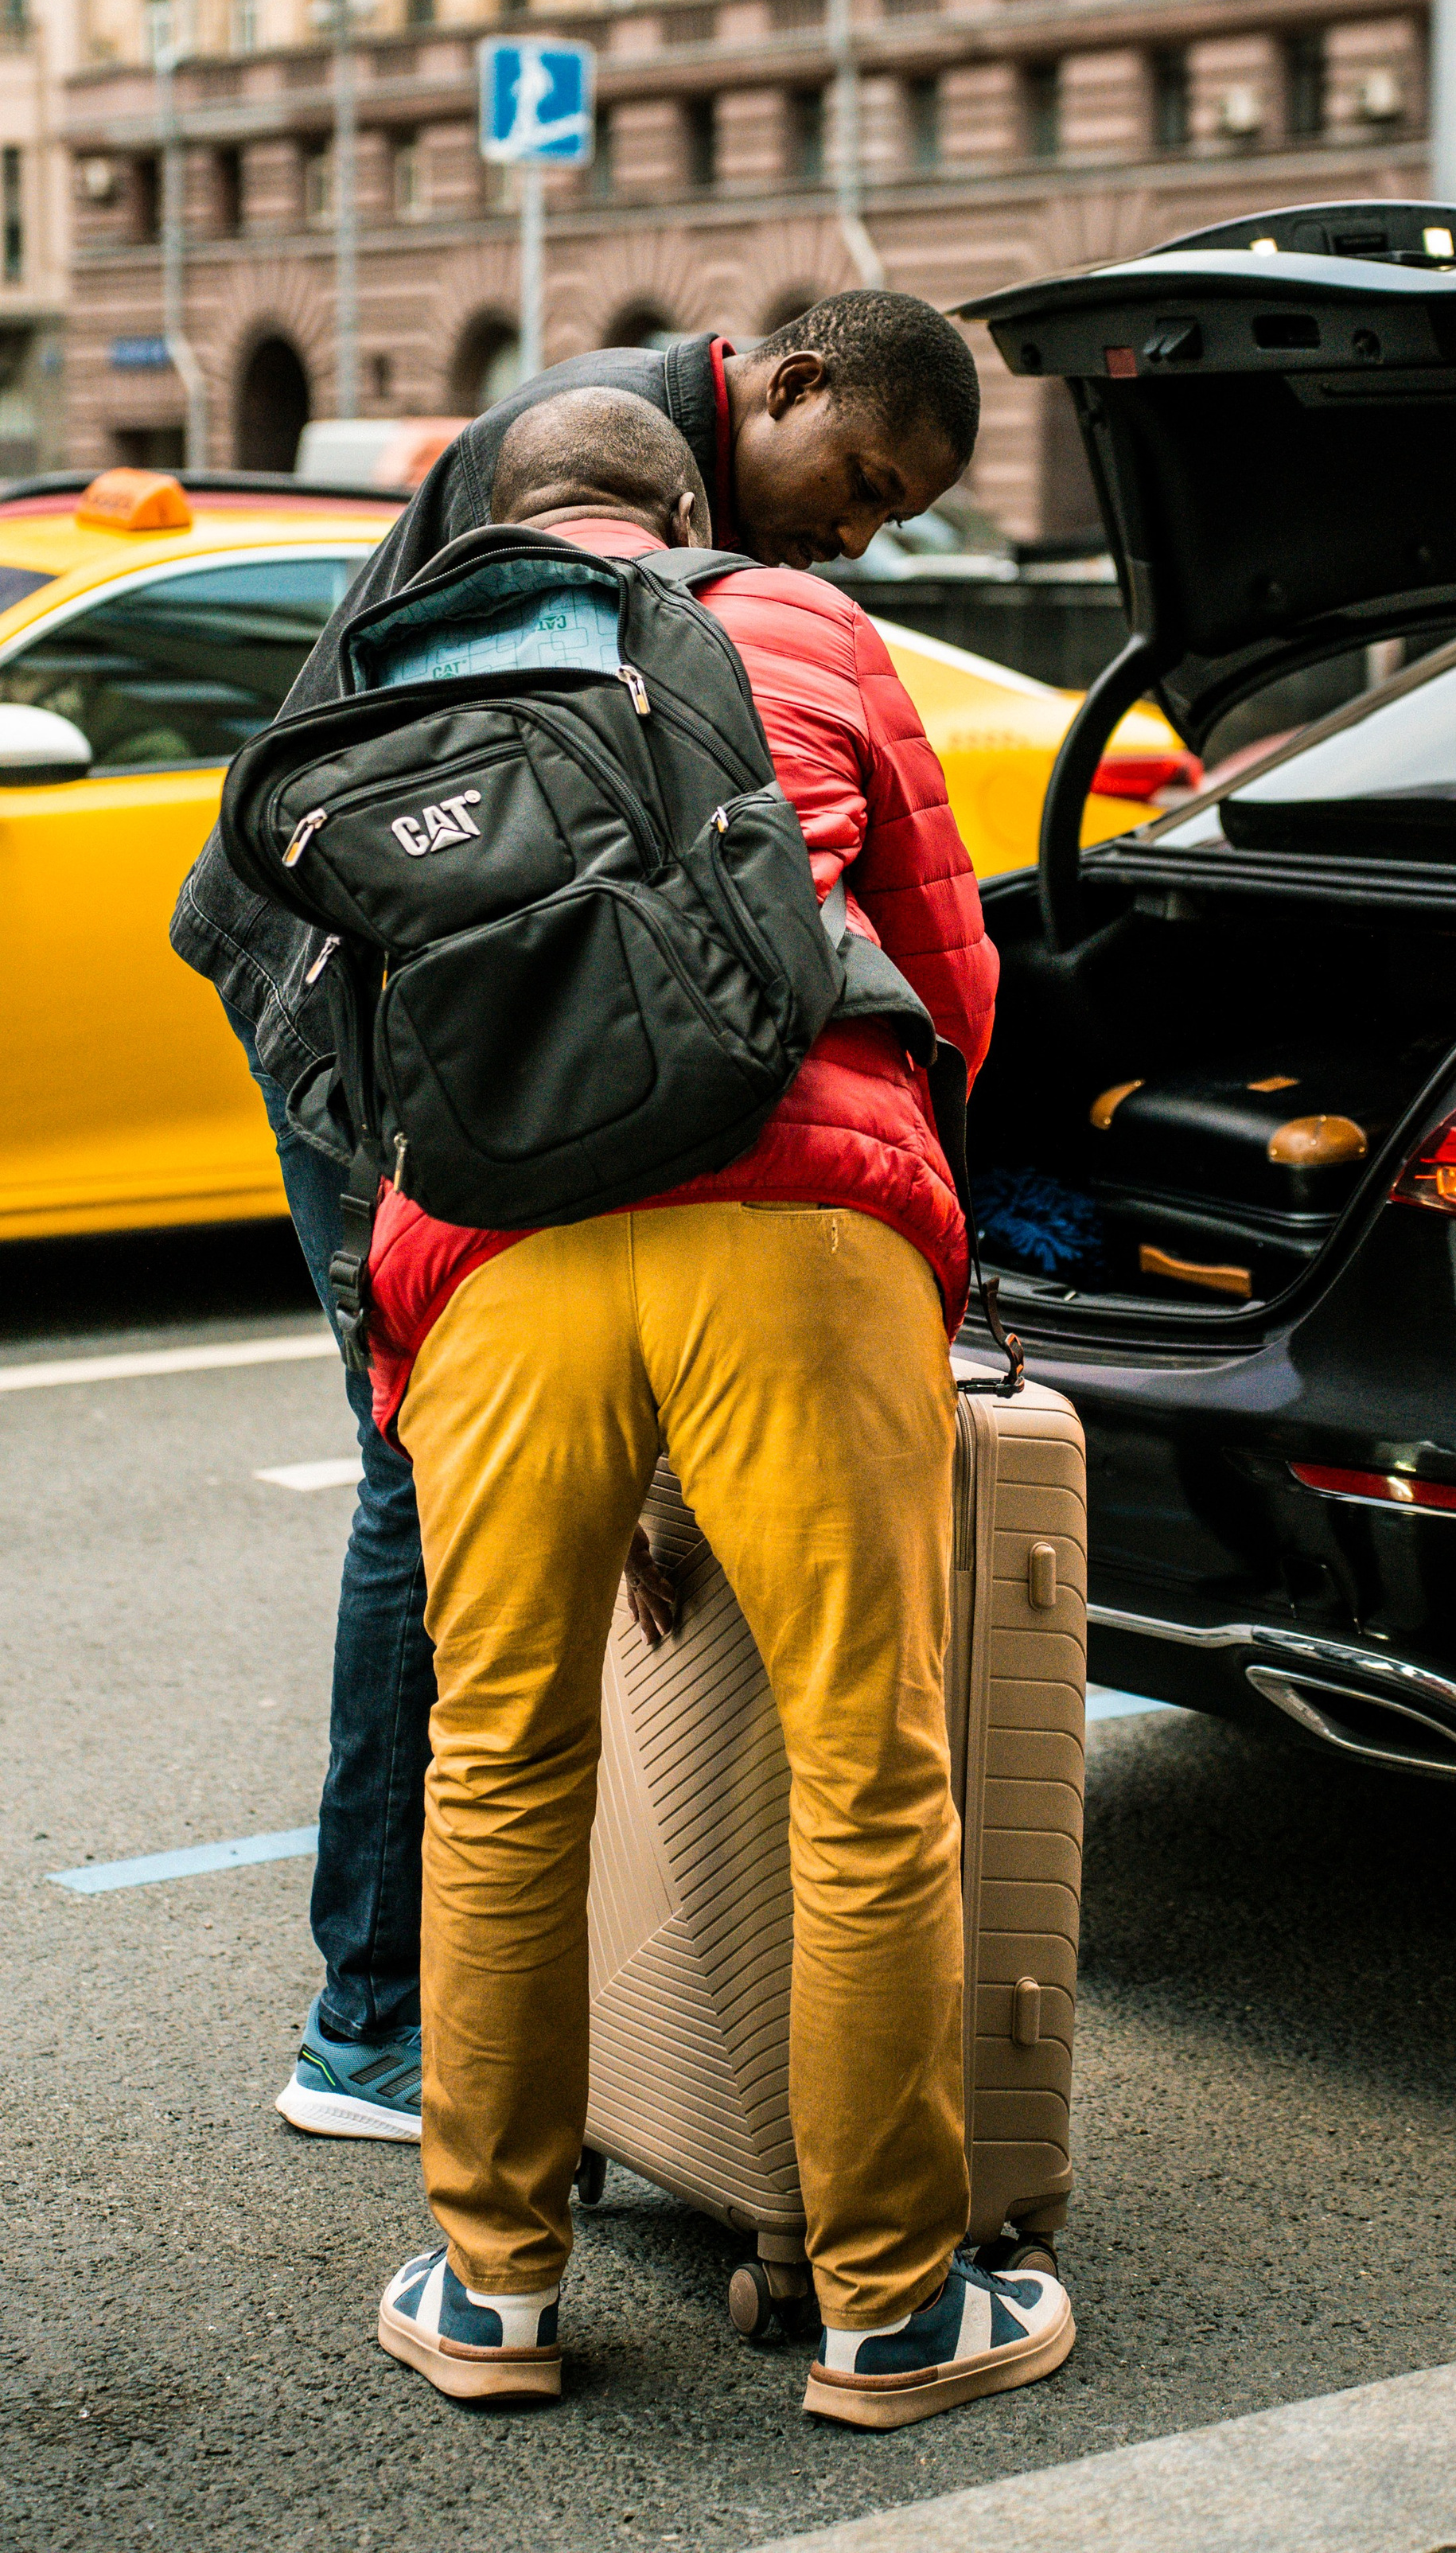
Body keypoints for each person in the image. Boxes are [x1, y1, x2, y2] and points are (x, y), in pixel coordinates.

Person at [166, 293, 979, 2140]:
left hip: (437, 988)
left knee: (472, 1537)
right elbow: (494, 830)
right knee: (415, 1476)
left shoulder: (670, 502)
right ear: (780, 385)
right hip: (372, 1005)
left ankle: (475, 2128)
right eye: (856, 480)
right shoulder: (595, 470)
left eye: (884, 518)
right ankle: (370, 2024)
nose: (852, 534)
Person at [359, 385, 1072, 2425]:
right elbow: (947, 964)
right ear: (694, 507)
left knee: (497, 1761)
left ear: (503, 519)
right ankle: (887, 2304)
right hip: (792, 1208)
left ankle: (489, 2286)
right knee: (867, 1772)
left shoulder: (418, 647)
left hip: (495, 1242)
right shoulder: (804, 629)